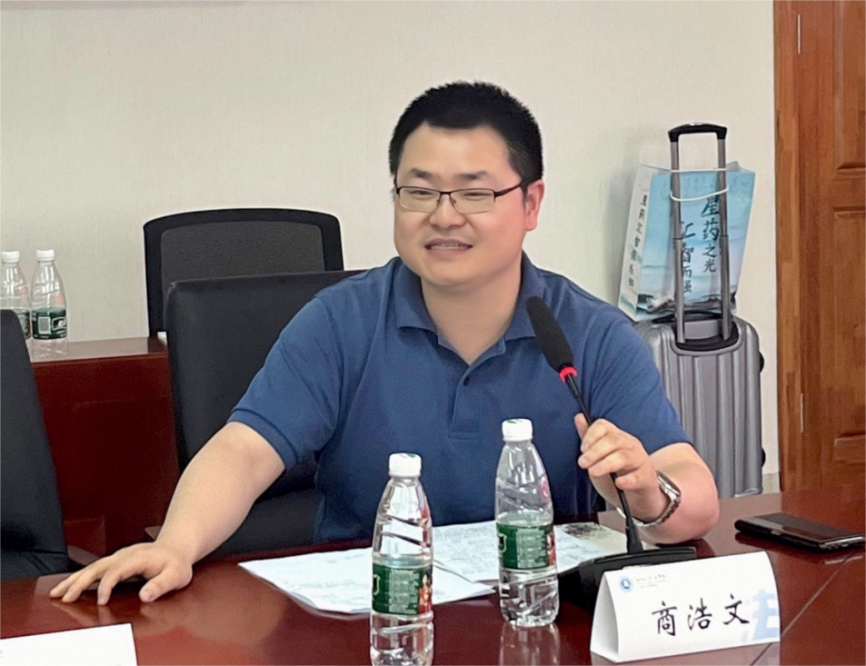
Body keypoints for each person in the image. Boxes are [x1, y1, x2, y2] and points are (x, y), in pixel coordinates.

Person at [51, 81, 720, 606]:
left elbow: (692, 492)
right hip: (373, 619)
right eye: (419, 191)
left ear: (531, 203)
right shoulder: (340, 323)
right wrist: (176, 545)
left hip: (533, 616)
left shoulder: (589, 333)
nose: (443, 216)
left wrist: (648, 494)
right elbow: (244, 452)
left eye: (474, 194)